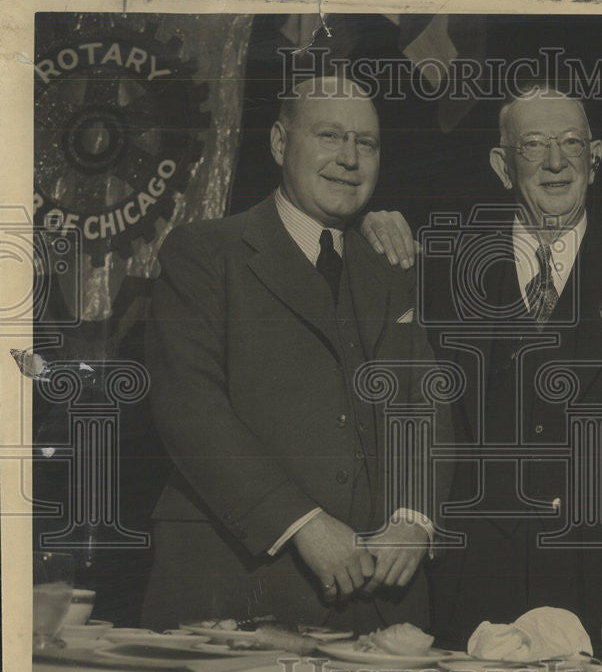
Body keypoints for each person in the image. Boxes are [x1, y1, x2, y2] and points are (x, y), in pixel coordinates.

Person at [141, 75, 450, 633]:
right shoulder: (206, 252)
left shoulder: (390, 263)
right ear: (281, 143)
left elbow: (423, 402)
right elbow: (190, 411)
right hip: (238, 589)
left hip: (380, 604)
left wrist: (414, 518)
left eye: (367, 143)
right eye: (330, 136)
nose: (350, 159)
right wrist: (303, 522)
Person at [423, 87, 602, 649]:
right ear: (503, 167)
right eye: (533, 146)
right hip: (473, 582)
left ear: (595, 158)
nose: (557, 162)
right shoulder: (444, 268)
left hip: (598, 577)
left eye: (572, 143)